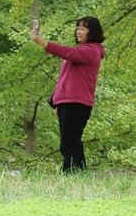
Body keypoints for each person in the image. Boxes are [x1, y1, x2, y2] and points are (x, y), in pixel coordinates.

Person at [31, 17, 105, 172]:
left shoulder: (92, 51)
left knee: (69, 142)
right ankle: (78, 172)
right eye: (77, 28)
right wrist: (58, 102)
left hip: (78, 103)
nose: (78, 31)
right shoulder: (81, 51)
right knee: (72, 140)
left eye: (83, 28)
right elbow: (65, 79)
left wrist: (43, 42)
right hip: (68, 102)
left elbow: (68, 53)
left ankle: (70, 172)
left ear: (92, 32)